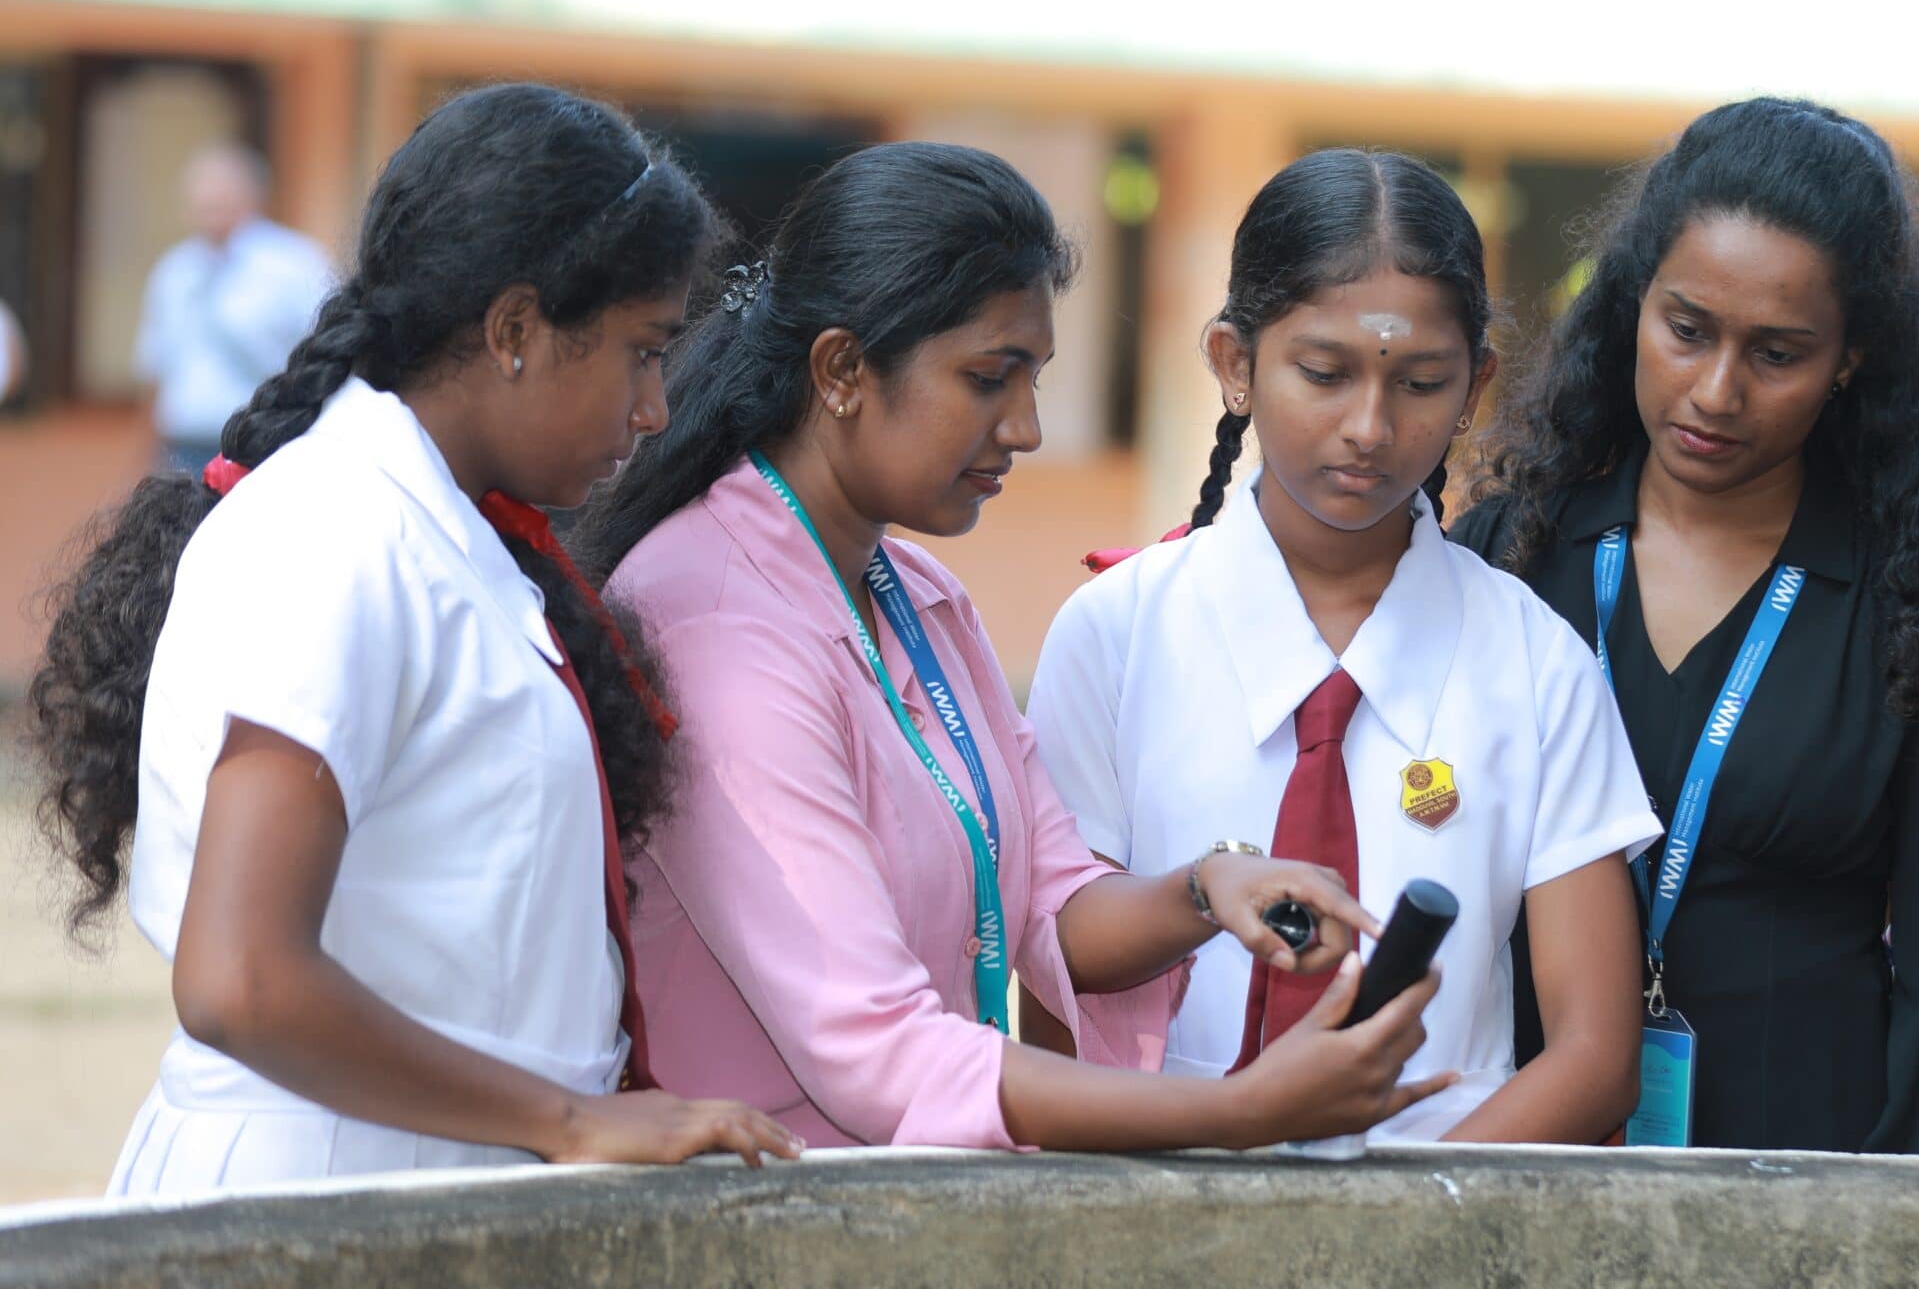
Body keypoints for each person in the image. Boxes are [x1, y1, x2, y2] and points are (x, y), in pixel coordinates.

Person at [573, 141, 1450, 1152]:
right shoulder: (715, 620)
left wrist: (1208, 888)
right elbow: (878, 1050)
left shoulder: (917, 597)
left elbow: (1044, 894)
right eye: (990, 379)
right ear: (843, 370)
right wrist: (1242, 1109)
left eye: (1032, 379)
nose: (1026, 428)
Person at [27, 83, 799, 1197]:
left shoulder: (455, 537)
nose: (654, 410)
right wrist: (571, 1121)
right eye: (641, 352)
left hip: (425, 1173)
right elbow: (241, 980)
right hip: (323, 1188)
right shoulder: (335, 534)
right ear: (516, 331)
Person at [1030, 148, 1662, 1145]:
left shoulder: (1535, 663)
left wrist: (1406, 1234)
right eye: (1322, 373)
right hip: (1158, 1198)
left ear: (1475, 384)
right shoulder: (1119, 631)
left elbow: (1594, 1056)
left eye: (1418, 381)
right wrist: (1201, 891)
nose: (1369, 427)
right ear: (1234, 363)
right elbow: (1055, 953)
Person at [1454, 98, 1919, 1154]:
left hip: (1810, 1199)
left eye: (1777, 353)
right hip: (1512, 1172)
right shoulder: (1507, 559)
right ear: (1632, 302)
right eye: (1686, 330)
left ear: (1851, 358)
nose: (1715, 392)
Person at [133, 144, 335, 473]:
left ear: (250, 198)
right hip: (183, 445)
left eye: (218, 201)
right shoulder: (175, 270)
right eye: (200, 203)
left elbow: (322, 350)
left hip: (263, 443)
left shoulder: (293, 264)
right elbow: (155, 367)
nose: (207, 212)